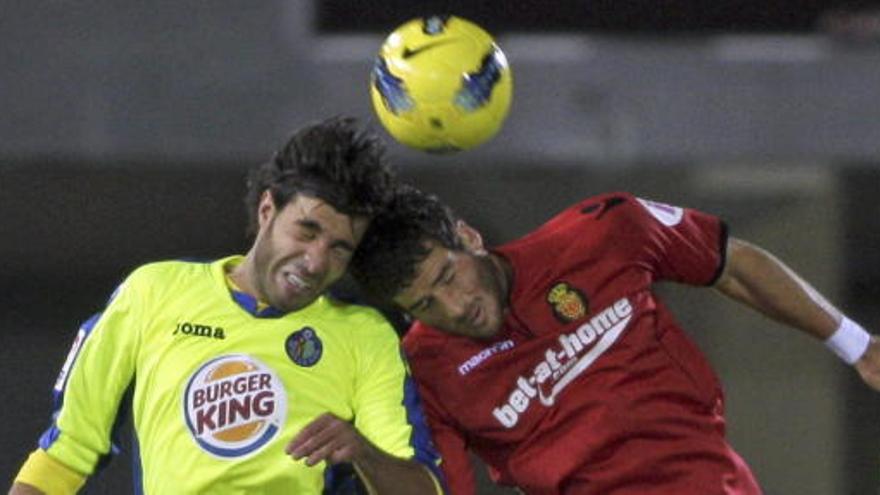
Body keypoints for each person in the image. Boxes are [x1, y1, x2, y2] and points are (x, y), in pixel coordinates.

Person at [9, 117, 445, 495]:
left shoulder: (362, 335)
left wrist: (363, 453)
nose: (316, 262)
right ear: (267, 209)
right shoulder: (153, 293)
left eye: (339, 248)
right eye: (307, 231)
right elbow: (68, 451)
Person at [350, 184, 880, 495]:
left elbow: (731, 264)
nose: (455, 308)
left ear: (467, 237)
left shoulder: (601, 232)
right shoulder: (423, 368)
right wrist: (360, 453)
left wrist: (858, 346)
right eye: (424, 306)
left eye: (447, 277)